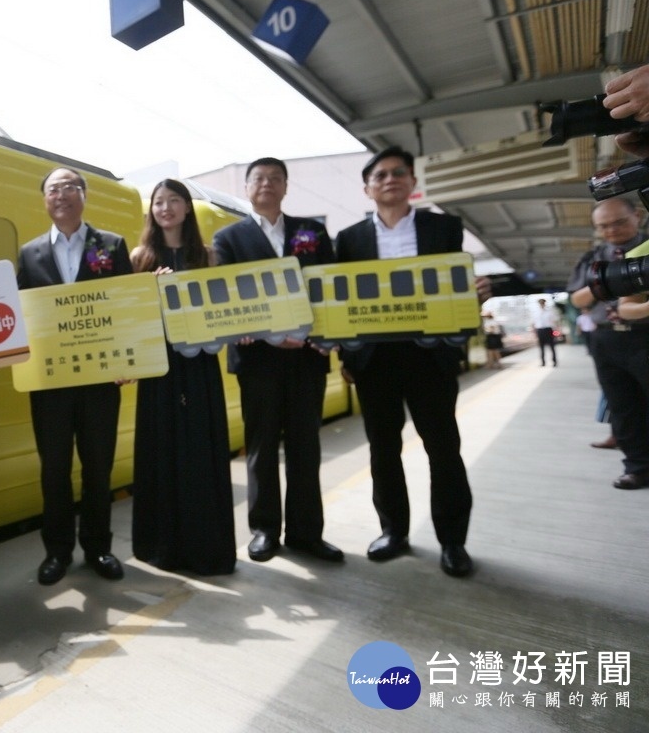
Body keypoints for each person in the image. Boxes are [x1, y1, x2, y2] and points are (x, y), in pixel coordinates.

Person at [334, 146, 475, 578]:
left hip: (428, 355)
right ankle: (394, 532)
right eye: (380, 175)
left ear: (413, 182)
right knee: (383, 450)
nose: (390, 179)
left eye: (399, 173)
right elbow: (340, 299)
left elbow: (455, 284)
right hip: (375, 360)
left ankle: (453, 541)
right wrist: (346, 355)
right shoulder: (349, 239)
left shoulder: (445, 227)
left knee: (444, 449)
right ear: (367, 188)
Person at [211, 158, 343, 564]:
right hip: (257, 359)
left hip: (306, 357)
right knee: (261, 445)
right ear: (247, 187)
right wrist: (263, 333)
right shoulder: (228, 238)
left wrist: (324, 335)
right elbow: (225, 293)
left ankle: (307, 534)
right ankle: (264, 530)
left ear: (285, 187)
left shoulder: (312, 231)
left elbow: (329, 284)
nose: (266, 184)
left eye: (275, 179)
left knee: (306, 446)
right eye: (258, 178)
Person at [16, 166, 133, 585]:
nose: (61, 194)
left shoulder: (112, 245)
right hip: (49, 384)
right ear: (44, 200)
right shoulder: (28, 254)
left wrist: (127, 362)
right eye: (53, 189)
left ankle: (99, 548)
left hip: (101, 380)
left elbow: (125, 308)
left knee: (98, 468)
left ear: (84, 196)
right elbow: (21, 317)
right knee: (54, 470)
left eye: (69, 187)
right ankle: (57, 552)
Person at [129, 179, 236, 575]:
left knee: (200, 452)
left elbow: (223, 308)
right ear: (151, 211)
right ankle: (161, 547)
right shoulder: (140, 256)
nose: (166, 207)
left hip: (200, 366)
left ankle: (206, 547)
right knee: (161, 448)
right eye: (159, 202)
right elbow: (130, 316)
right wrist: (149, 292)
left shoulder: (208, 256)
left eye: (174, 200)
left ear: (188, 208)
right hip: (158, 368)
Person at [567, 196, 649, 489]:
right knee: (622, 405)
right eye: (603, 226)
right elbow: (577, 298)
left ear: (637, 216)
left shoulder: (645, 250)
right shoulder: (593, 258)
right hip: (606, 337)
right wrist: (606, 281)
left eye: (619, 222)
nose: (611, 230)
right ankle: (637, 467)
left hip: (644, 334)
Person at [530, 298, 560, 367]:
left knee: (552, 347)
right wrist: (534, 332)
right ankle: (543, 362)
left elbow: (555, 321)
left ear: (544, 303)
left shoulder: (550, 311)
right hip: (540, 330)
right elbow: (533, 323)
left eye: (542, 303)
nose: (541, 304)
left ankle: (554, 361)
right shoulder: (535, 312)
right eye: (540, 303)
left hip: (548, 330)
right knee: (541, 348)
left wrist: (557, 330)